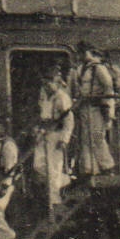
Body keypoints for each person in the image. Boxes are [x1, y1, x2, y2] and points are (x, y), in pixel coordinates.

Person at [72, 46, 118, 177]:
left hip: (97, 108)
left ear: (89, 52)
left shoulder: (99, 68)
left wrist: (109, 110)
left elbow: (108, 88)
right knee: (86, 138)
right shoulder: (81, 69)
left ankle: (107, 166)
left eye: (83, 52)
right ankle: (89, 168)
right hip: (84, 108)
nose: (81, 56)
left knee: (97, 137)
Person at [34, 67, 75, 207]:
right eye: (44, 84)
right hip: (44, 133)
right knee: (38, 165)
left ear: (56, 83)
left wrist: (65, 139)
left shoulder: (62, 98)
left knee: (53, 169)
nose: (46, 86)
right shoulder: (45, 96)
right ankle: (64, 179)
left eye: (49, 83)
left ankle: (55, 201)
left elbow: (69, 120)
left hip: (56, 135)